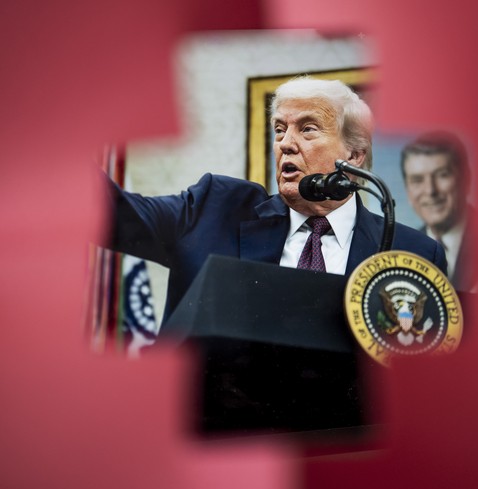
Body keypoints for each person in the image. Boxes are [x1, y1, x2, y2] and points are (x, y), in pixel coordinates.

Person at [106, 77, 448, 325]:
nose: (285, 143)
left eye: (308, 129)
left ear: (355, 154)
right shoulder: (215, 209)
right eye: (280, 129)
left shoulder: (412, 252)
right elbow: (113, 214)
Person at [401, 132, 476, 293]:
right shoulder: (405, 250)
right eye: (417, 180)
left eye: (442, 175)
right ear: (407, 190)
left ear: (466, 179)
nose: (430, 191)